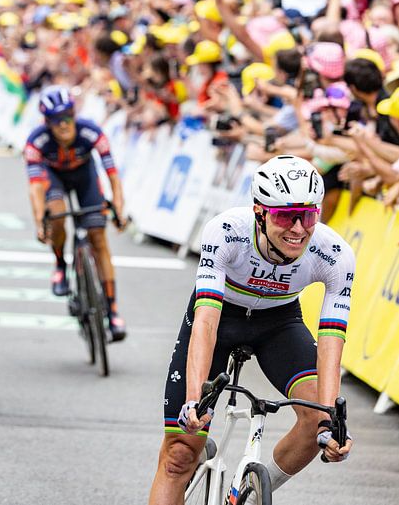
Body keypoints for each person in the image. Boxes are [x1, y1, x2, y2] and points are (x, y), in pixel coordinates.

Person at [148, 155, 355, 505]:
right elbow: (206, 322)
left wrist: (329, 420)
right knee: (180, 453)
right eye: (286, 215)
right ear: (260, 212)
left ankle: (249, 496)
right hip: (221, 317)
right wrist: (194, 402)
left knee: (316, 419)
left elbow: (332, 339)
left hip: (279, 322)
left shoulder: (334, 253)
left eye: (308, 216)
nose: (299, 229)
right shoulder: (227, 232)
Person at [23, 85, 127, 341]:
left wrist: (120, 210)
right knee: (56, 215)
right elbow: (36, 188)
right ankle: (60, 263)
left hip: (85, 177)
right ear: (46, 122)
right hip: (54, 178)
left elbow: (113, 175)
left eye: (68, 116)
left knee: (98, 238)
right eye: (56, 120)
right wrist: (40, 222)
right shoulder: (36, 142)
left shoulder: (91, 132)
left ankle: (112, 311)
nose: (63, 124)